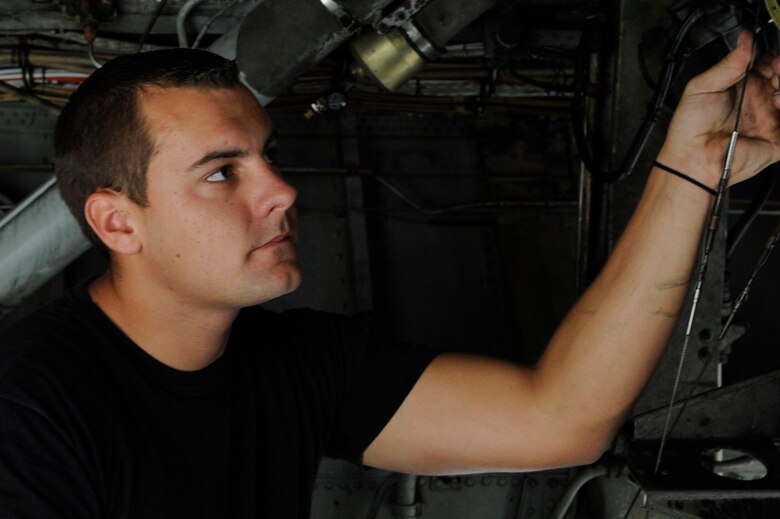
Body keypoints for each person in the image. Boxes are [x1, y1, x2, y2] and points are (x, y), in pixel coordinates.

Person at [1, 30, 779, 518]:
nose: (281, 191)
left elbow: (561, 418)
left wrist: (693, 166)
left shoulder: (298, 362)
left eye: (268, 156)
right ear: (118, 222)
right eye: (220, 173)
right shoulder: (28, 408)